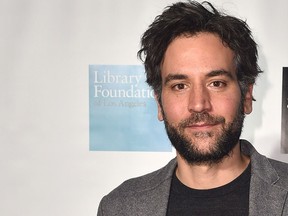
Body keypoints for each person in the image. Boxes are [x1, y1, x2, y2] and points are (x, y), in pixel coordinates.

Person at [97, 1, 288, 215]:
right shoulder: (119, 207)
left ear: (246, 95)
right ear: (159, 103)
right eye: (180, 86)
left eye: (216, 83)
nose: (198, 104)